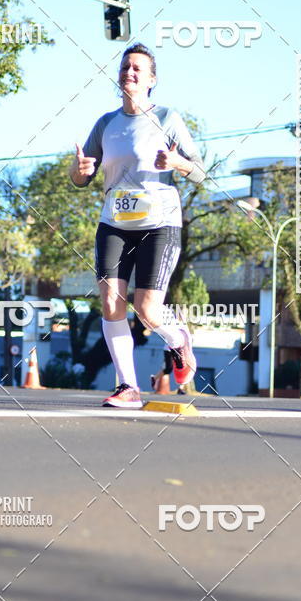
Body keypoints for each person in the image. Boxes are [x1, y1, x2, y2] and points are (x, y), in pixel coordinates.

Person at [69, 42, 205, 408]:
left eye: (137, 68)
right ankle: (128, 386)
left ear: (151, 80)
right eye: (125, 67)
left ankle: (178, 340)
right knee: (110, 302)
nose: (129, 72)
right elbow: (81, 177)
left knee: (147, 310)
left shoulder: (167, 118)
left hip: (159, 224)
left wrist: (176, 163)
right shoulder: (106, 123)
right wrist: (79, 171)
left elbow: (200, 172)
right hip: (114, 223)